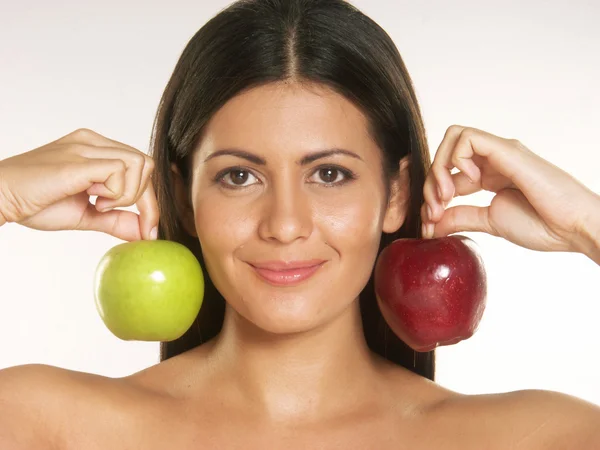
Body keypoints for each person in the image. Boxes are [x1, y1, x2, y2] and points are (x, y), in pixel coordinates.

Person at [0, 0, 599, 447]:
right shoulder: (43, 423)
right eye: (239, 176)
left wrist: (586, 225)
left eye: (330, 175)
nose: (285, 225)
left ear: (396, 193)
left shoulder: (536, 437)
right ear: (182, 197)